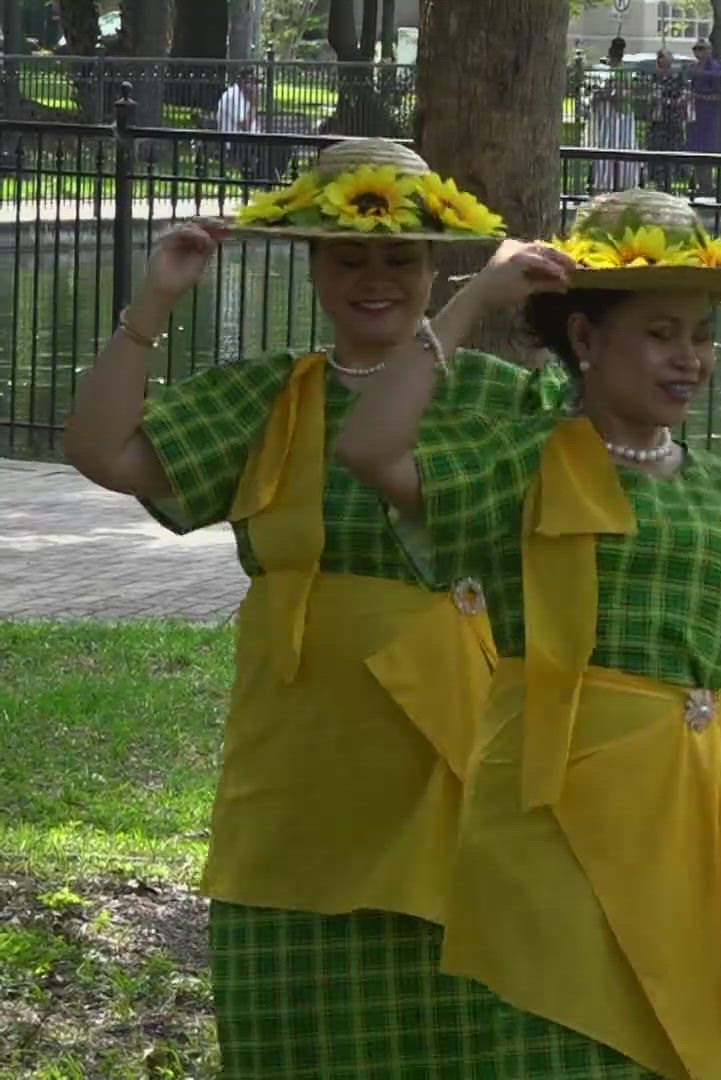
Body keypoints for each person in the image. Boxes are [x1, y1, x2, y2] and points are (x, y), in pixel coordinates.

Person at [334, 188, 721, 1079]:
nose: (691, 358)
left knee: (699, 1041)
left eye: (702, 333)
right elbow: (372, 452)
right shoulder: (521, 461)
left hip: (694, 814)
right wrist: (469, 304)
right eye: (662, 333)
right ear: (585, 338)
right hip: (546, 819)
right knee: (562, 1038)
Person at [60, 138, 570, 1076]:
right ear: (313, 269)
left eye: (398, 259)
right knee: (288, 1023)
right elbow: (102, 450)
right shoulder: (270, 396)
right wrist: (155, 300)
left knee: (453, 1026)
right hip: (297, 759)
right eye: (348, 257)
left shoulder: (507, 399)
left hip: (453, 752)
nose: (374, 279)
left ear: (434, 267)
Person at [587, 37, 642, 192]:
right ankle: (617, 181)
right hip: (616, 116)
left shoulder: (621, 72)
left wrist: (603, 95)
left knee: (619, 147)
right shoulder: (618, 71)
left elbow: (620, 93)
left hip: (619, 116)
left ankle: (620, 181)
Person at [212, 68, 270, 181]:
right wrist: (254, 105)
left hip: (250, 140)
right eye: (252, 82)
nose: (255, 87)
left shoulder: (245, 96)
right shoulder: (232, 97)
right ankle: (259, 181)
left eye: (256, 83)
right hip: (236, 143)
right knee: (272, 149)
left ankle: (263, 180)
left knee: (281, 148)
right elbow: (245, 126)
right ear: (242, 82)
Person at [645, 48, 690, 191]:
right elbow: (648, 94)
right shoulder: (654, 76)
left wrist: (674, 102)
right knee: (656, 148)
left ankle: (670, 180)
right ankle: (657, 180)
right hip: (657, 119)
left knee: (672, 149)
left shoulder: (676, 76)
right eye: (659, 58)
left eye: (663, 57)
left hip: (672, 118)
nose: (660, 60)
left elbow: (684, 93)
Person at [687, 37, 721, 195]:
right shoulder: (694, 68)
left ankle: (708, 184)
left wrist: (697, 96)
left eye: (701, 49)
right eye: (696, 49)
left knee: (708, 149)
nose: (698, 52)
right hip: (695, 114)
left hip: (709, 115)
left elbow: (718, 96)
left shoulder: (715, 69)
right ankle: (700, 183)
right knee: (695, 148)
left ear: (709, 50)